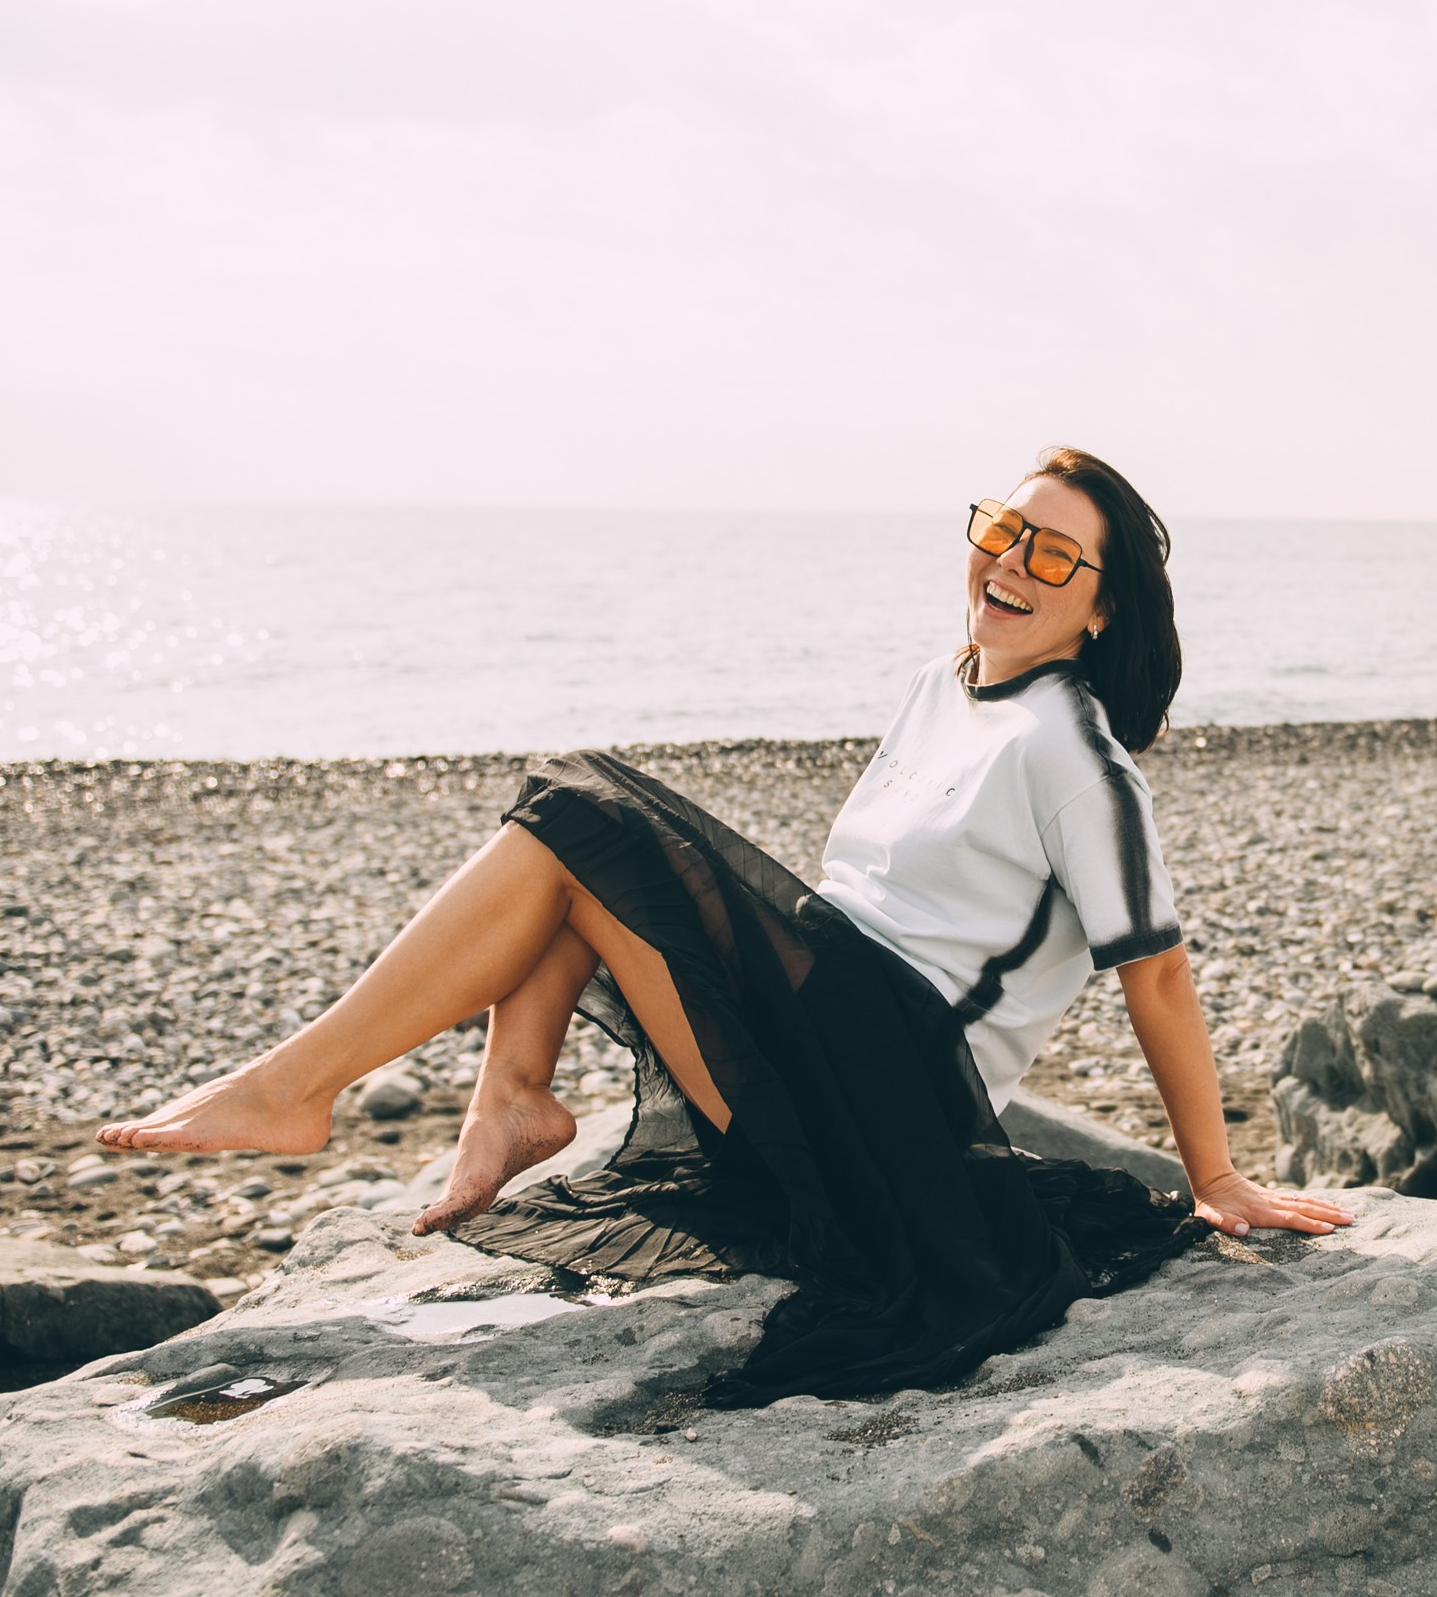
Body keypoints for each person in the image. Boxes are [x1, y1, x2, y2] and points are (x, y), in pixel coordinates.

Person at [95, 447, 1349, 1405]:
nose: (1013, 563)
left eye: (1055, 556)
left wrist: (1216, 1173)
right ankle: (505, 1102)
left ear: (1104, 610)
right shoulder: (941, 682)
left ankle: (313, 1088)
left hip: (896, 1105)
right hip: (820, 1034)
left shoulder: (1079, 758)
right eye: (1005, 531)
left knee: (581, 814)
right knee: (581, 830)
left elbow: (1163, 982)